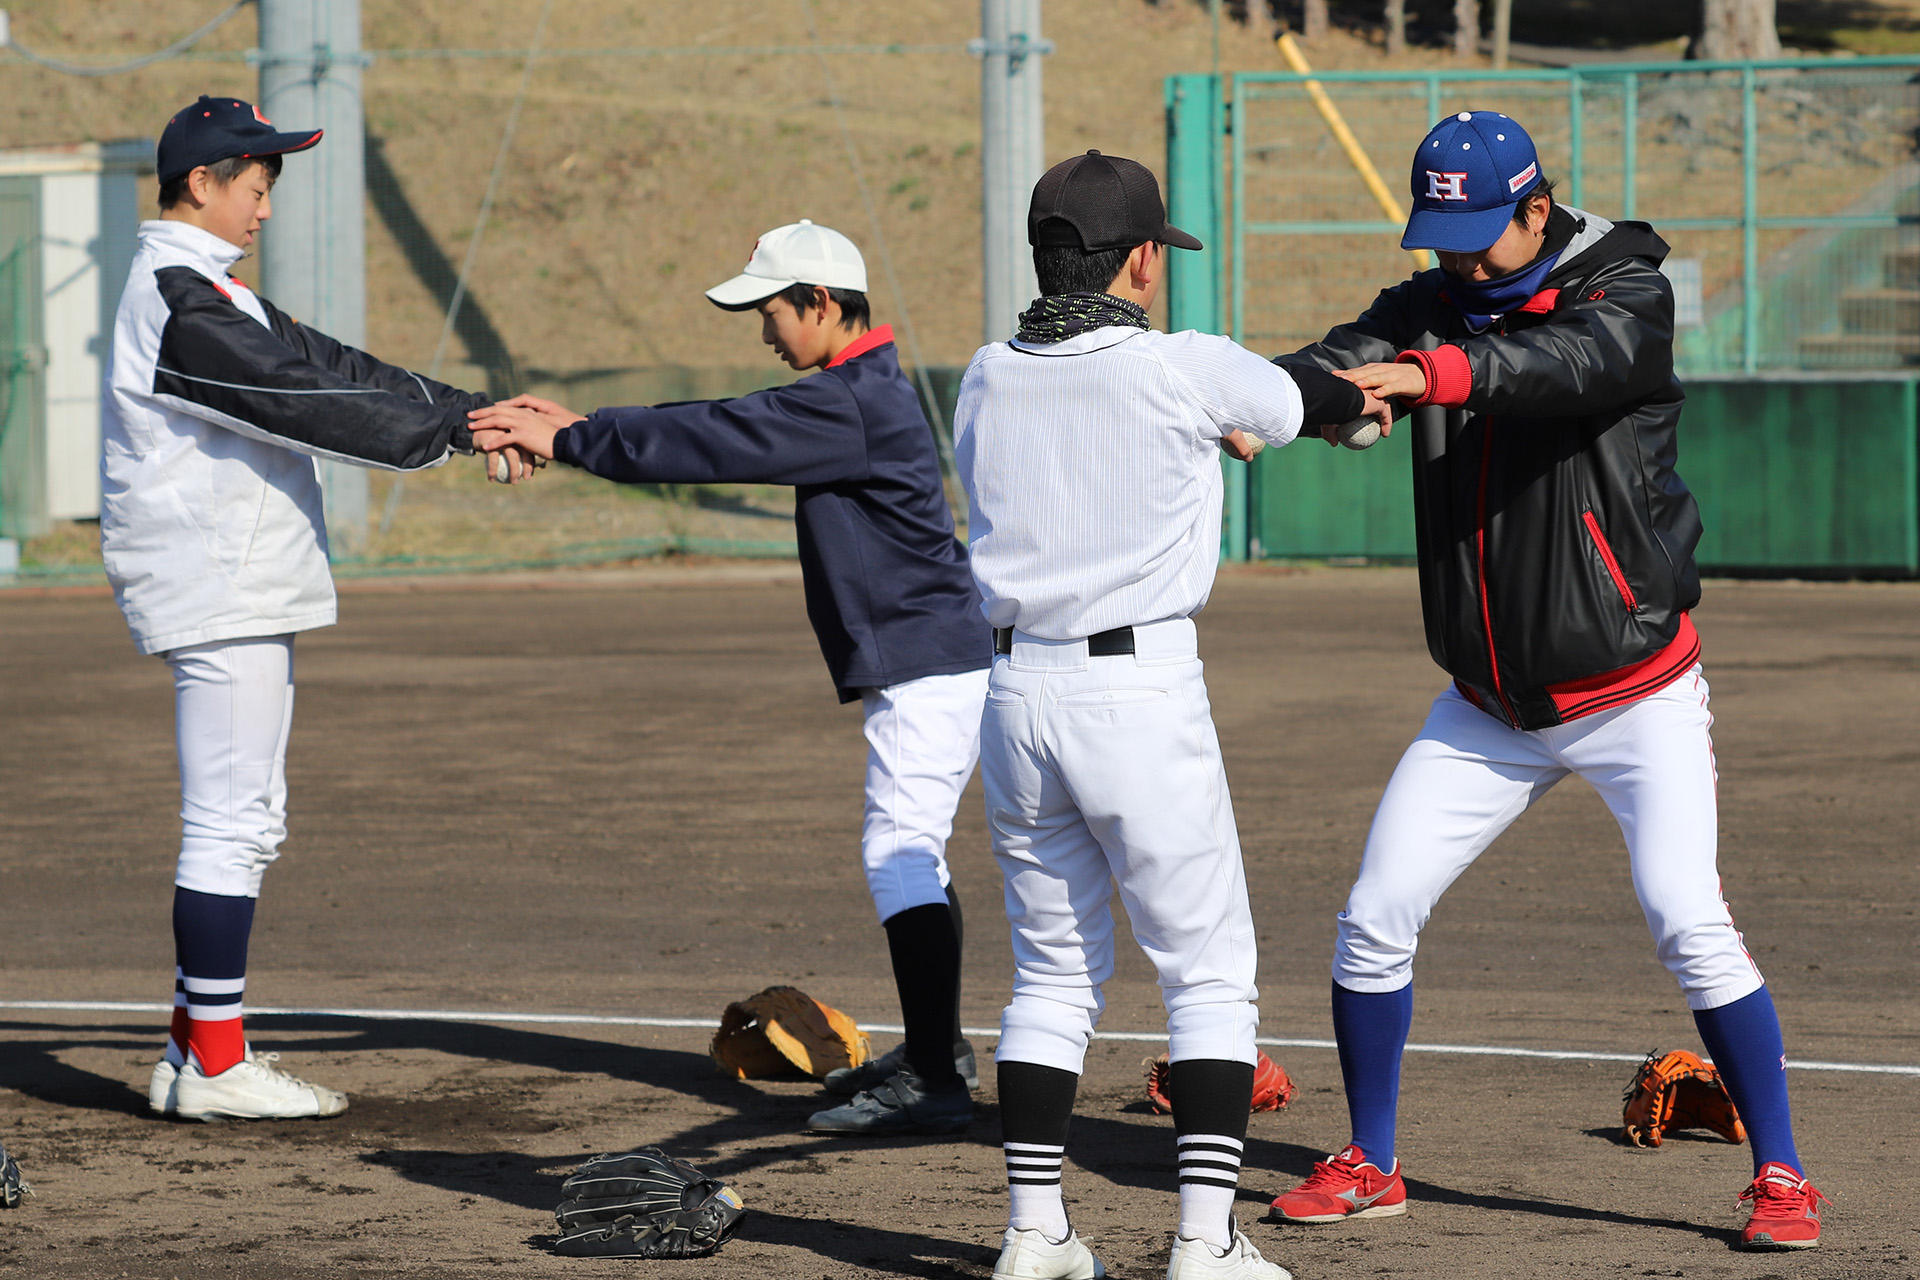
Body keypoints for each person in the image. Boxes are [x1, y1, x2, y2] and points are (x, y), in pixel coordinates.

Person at [1267, 111, 1824, 1251]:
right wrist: (1271, 401)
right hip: (1488, 707)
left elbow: (1562, 365)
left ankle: (1781, 1173)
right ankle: (1373, 1159)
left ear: (1537, 209)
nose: (1456, 258)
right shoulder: (1429, 304)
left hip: (1635, 691)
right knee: (1372, 916)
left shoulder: (1622, 291)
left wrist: (1430, 376)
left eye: (1479, 233)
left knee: (1688, 917)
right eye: (1441, 236)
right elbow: (1341, 354)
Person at [951, 150, 1388, 1280]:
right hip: (1135, 694)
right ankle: (1206, 1236)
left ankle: (1034, 1232)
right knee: (1206, 972)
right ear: (1140, 260)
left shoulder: (985, 373)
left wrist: (1219, 432)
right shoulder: (1182, 365)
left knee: (1050, 975)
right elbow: (1317, 401)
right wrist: (1351, 413)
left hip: (1011, 696)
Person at [466, 219, 990, 1137]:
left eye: (772, 310)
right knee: (913, 852)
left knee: (900, 853)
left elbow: (717, 439)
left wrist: (577, 438)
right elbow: (723, 422)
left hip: (931, 665)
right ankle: (938, 1051)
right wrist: (576, 429)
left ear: (822, 304)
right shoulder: (851, 389)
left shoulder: (850, 403)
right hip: (932, 657)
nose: (764, 331)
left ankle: (941, 1080)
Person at [102, 96, 500, 1121]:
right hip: (217, 581)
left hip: (235, 577)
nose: (265, 208)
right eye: (256, 187)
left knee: (248, 819)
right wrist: (450, 438)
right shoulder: (179, 295)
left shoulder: (209, 289)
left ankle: (196, 1046)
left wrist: (470, 411)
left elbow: (332, 366)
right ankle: (216, 1066)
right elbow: (302, 399)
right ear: (202, 183)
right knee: (230, 823)